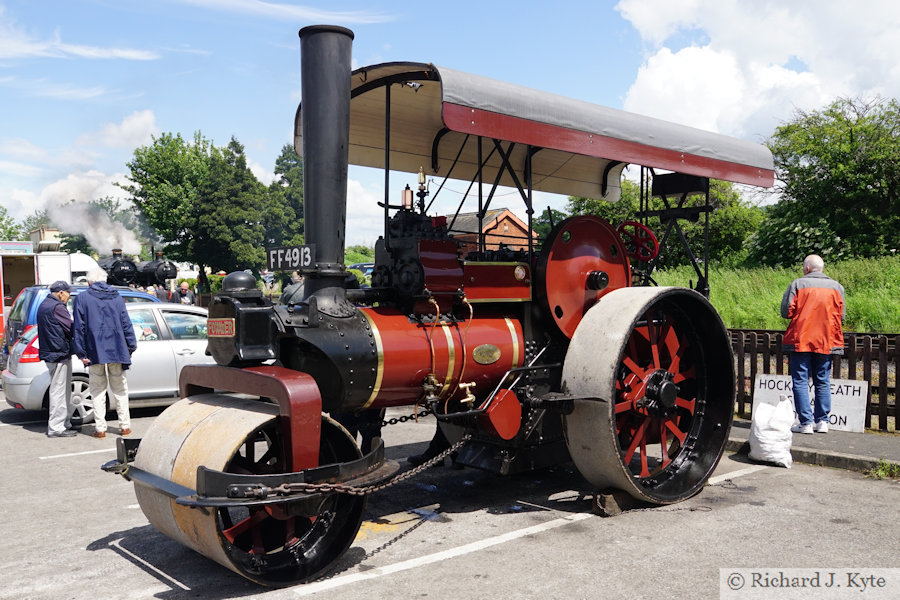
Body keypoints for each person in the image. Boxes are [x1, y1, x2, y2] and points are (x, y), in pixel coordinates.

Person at [781, 254, 845, 434]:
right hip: (826, 340)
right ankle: (822, 421)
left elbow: (786, 311)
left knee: (800, 381)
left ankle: (806, 423)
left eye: (803, 267)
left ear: (807, 268)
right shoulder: (836, 287)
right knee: (823, 381)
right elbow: (842, 315)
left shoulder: (797, 285)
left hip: (801, 339)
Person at [73, 268, 137, 439]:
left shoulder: (82, 298)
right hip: (117, 348)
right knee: (120, 389)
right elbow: (126, 323)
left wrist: (81, 352)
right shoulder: (116, 297)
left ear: (89, 282)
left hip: (95, 351)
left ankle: (100, 428)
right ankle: (125, 426)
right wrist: (130, 346)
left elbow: (79, 327)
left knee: (97, 390)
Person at [37, 281, 77, 438]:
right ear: (61, 292)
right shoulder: (57, 307)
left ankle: (63, 423)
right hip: (58, 353)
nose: (69, 296)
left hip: (51, 352)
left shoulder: (44, 304)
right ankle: (57, 427)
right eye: (68, 293)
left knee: (59, 389)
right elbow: (70, 328)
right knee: (59, 391)